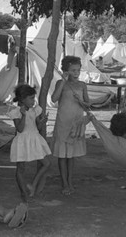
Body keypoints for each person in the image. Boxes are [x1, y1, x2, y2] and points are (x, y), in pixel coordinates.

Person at [51, 56, 90, 195]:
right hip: (63, 122)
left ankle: (70, 180)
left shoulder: (82, 85)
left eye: (78, 70)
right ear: (66, 70)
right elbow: (54, 99)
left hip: (76, 122)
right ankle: (64, 183)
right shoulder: (60, 83)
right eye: (73, 70)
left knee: (71, 155)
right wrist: (63, 81)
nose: (76, 73)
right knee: (62, 155)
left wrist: (82, 101)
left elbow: (88, 104)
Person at [8, 84, 51, 201]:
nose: (34, 101)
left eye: (34, 98)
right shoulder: (16, 112)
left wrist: (42, 121)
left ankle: (33, 184)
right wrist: (23, 115)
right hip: (22, 141)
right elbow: (20, 129)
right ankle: (23, 192)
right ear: (22, 99)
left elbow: (37, 126)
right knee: (21, 168)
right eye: (31, 98)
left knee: (46, 163)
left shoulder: (35, 110)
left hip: (35, 139)